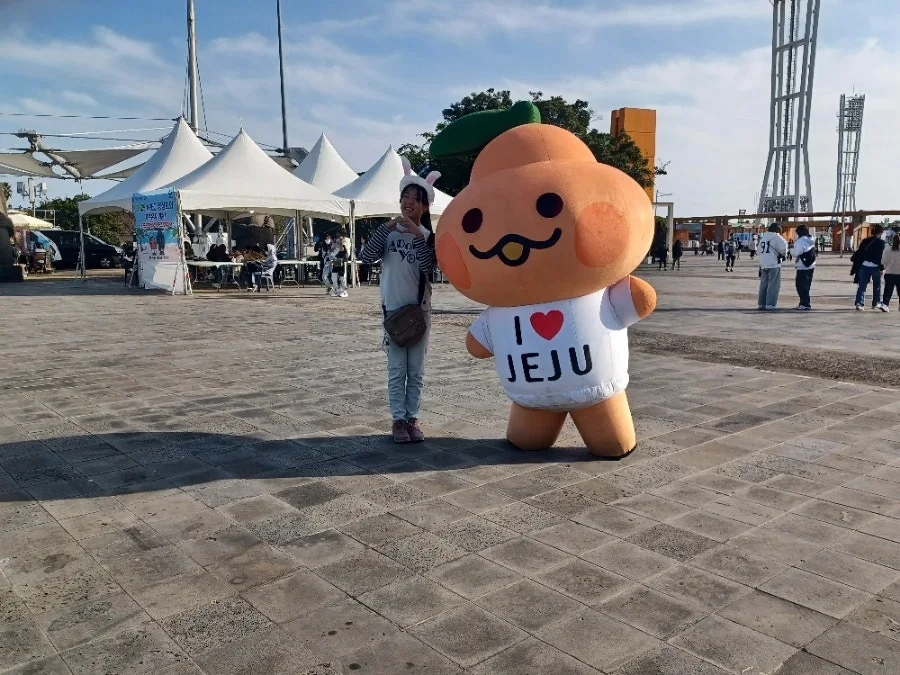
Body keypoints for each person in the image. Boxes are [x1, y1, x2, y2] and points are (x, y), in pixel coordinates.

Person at [359, 174, 438, 444]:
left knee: (416, 370)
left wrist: (417, 236)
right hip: (392, 311)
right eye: (406, 197)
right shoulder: (388, 233)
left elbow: (429, 268)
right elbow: (366, 257)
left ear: (425, 206)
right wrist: (385, 228)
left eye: (416, 199)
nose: (409, 203)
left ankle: (412, 419)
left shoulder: (428, 237)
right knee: (396, 370)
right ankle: (398, 420)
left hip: (420, 312)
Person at [851, 224, 888, 311]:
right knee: (877, 286)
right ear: (880, 233)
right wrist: (882, 268)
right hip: (876, 267)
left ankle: (859, 303)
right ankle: (876, 303)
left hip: (864, 266)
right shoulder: (882, 243)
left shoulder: (865, 241)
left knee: (862, 286)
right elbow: (882, 257)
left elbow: (860, 253)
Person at [757, 223, 788, 310]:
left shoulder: (764, 238)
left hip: (763, 263)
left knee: (764, 284)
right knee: (773, 284)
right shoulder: (777, 237)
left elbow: (758, 251)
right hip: (774, 263)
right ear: (777, 230)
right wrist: (783, 255)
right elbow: (784, 247)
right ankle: (770, 304)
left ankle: (762, 303)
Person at [790, 225, 816, 310]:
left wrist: (791, 250)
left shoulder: (801, 241)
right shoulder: (810, 239)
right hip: (810, 265)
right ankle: (804, 302)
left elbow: (797, 252)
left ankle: (805, 303)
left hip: (802, 266)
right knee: (806, 285)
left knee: (800, 285)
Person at [882, 233, 900, 310]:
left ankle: (885, 305)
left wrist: (884, 268)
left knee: (888, 290)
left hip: (889, 273)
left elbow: (883, 261)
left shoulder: (887, 249)